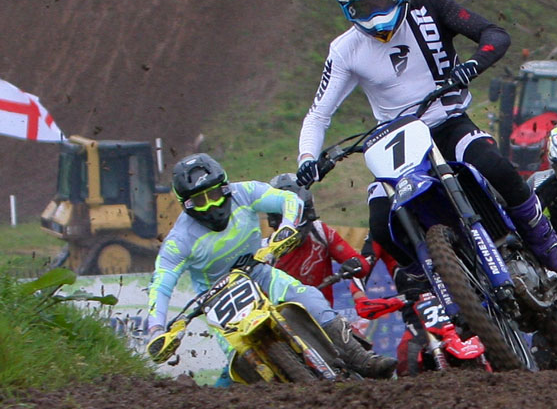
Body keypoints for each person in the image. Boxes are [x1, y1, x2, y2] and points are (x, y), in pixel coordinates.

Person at [295, 0, 557, 283]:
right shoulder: (344, 50)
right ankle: (439, 281)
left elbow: (494, 35)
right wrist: (307, 158)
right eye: (363, 7)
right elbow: (318, 115)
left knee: (496, 168)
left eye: (382, 0)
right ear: (348, 10)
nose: (375, 13)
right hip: (396, 141)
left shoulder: (430, 6)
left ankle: (547, 243)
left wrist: (473, 64)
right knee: (382, 226)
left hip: (447, 121)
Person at [145, 154, 396, 380]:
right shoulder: (179, 240)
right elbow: (161, 285)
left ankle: (361, 359)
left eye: (214, 195)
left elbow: (288, 199)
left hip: (257, 272)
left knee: (309, 297)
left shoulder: (244, 192)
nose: (211, 205)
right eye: (200, 201)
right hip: (217, 300)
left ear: (225, 188)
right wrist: (157, 330)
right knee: (238, 360)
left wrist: (287, 226)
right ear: (187, 205)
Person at [266, 173, 371, 305]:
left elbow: (362, 265)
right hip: (283, 314)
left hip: (322, 312)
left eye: (296, 214)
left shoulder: (321, 232)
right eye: (284, 217)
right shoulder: (266, 252)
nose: (292, 222)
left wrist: (355, 264)